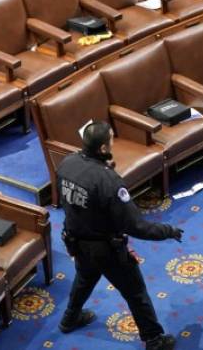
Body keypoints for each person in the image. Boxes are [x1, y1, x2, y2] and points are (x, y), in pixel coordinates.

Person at [57, 121, 183, 350]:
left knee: (84, 278)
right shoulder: (108, 181)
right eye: (111, 139)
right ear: (103, 148)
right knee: (135, 293)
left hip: (75, 240)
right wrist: (168, 231)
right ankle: (154, 340)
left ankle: (70, 318)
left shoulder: (67, 163)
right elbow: (136, 226)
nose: (114, 141)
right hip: (107, 249)